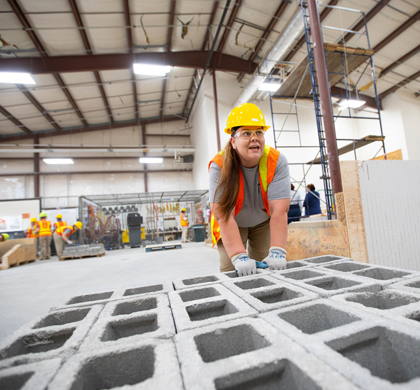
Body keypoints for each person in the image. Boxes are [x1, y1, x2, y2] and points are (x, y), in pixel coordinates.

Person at [209, 103, 290, 276]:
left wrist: (278, 251)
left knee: (265, 270)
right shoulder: (219, 166)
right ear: (233, 141)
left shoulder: (276, 161)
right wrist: (238, 255)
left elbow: (279, 210)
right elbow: (223, 215)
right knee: (231, 271)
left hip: (262, 221)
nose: (254, 138)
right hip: (231, 221)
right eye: (246, 133)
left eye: (259, 132)